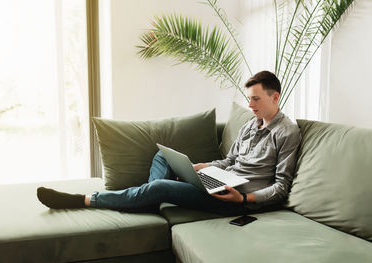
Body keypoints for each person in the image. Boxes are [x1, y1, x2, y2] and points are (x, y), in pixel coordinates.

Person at [37, 70, 301, 216]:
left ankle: (83, 200)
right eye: (249, 98)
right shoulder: (249, 124)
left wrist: (243, 197)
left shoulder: (286, 131)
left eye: (255, 99)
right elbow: (230, 161)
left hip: (235, 199)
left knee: (161, 186)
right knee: (163, 157)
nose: (249, 104)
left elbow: (281, 186)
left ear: (275, 97)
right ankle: (149, 197)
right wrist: (203, 167)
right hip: (220, 181)